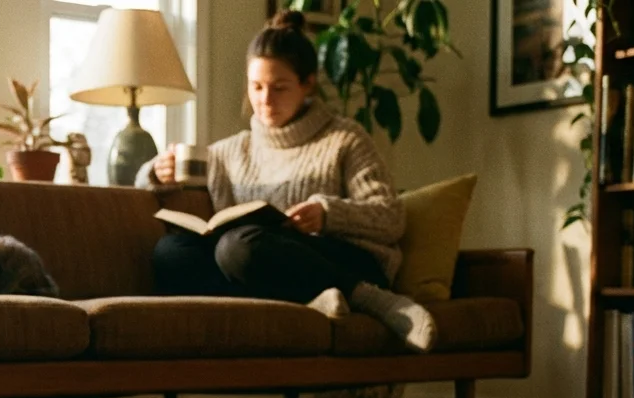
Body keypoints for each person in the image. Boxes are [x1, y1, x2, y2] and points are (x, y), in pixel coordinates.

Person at [138, 10, 435, 352]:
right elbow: (149, 181)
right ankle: (308, 301)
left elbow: (391, 217)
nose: (265, 100)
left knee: (240, 247)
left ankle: (373, 299)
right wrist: (156, 170)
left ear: (307, 84)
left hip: (340, 259)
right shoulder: (231, 152)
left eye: (279, 88)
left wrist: (327, 214)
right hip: (258, 263)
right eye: (257, 87)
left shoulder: (345, 139)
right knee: (171, 253)